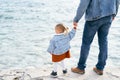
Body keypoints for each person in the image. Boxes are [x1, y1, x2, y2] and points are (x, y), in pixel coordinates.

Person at [71, 0, 119, 75]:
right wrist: (114, 13)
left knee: (86, 43)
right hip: (109, 15)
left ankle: (80, 68)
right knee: (103, 42)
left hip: (93, 18)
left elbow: (83, 4)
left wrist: (76, 19)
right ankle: (100, 68)